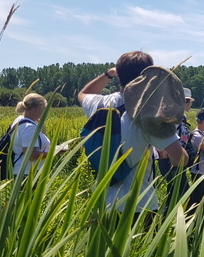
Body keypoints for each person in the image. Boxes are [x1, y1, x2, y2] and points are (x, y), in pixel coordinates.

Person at [78, 51, 187, 216]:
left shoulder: (100, 104)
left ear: (119, 74)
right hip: (139, 206)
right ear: (147, 77)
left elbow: (82, 94)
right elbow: (179, 158)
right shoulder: (147, 113)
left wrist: (108, 74)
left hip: (101, 205)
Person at [11, 93, 50, 177]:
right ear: (37, 108)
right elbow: (30, 155)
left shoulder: (20, 120)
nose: (44, 111)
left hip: (22, 171)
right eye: (44, 108)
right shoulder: (29, 127)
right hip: (27, 173)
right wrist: (54, 152)